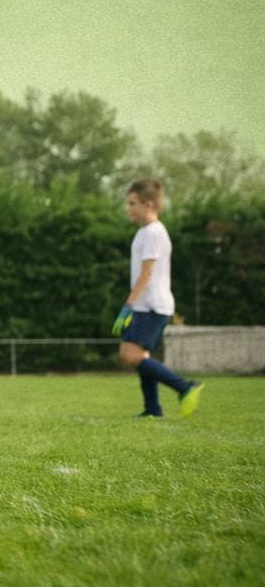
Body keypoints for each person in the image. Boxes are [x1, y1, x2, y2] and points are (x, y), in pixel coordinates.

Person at [113, 178, 203, 418]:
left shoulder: (154, 232)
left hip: (152, 305)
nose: (128, 208)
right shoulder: (144, 232)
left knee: (131, 355)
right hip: (144, 304)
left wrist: (128, 305)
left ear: (149, 204)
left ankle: (185, 387)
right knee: (134, 354)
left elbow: (147, 272)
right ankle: (152, 409)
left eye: (132, 203)